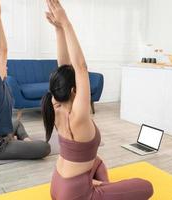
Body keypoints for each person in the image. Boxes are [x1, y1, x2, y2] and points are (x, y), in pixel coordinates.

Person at [41, 0, 154, 199]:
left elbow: (65, 66)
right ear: (75, 91)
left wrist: (59, 30)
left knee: (97, 161)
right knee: (146, 186)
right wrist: (66, 22)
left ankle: (100, 187)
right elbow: (80, 66)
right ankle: (98, 190)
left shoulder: (55, 103)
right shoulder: (78, 116)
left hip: (57, 185)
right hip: (76, 195)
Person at [0, 0, 50, 160]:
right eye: (2, 64)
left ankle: (24, 140)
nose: (6, 66)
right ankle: (19, 142)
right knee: (45, 148)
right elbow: (2, 50)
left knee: (16, 123)